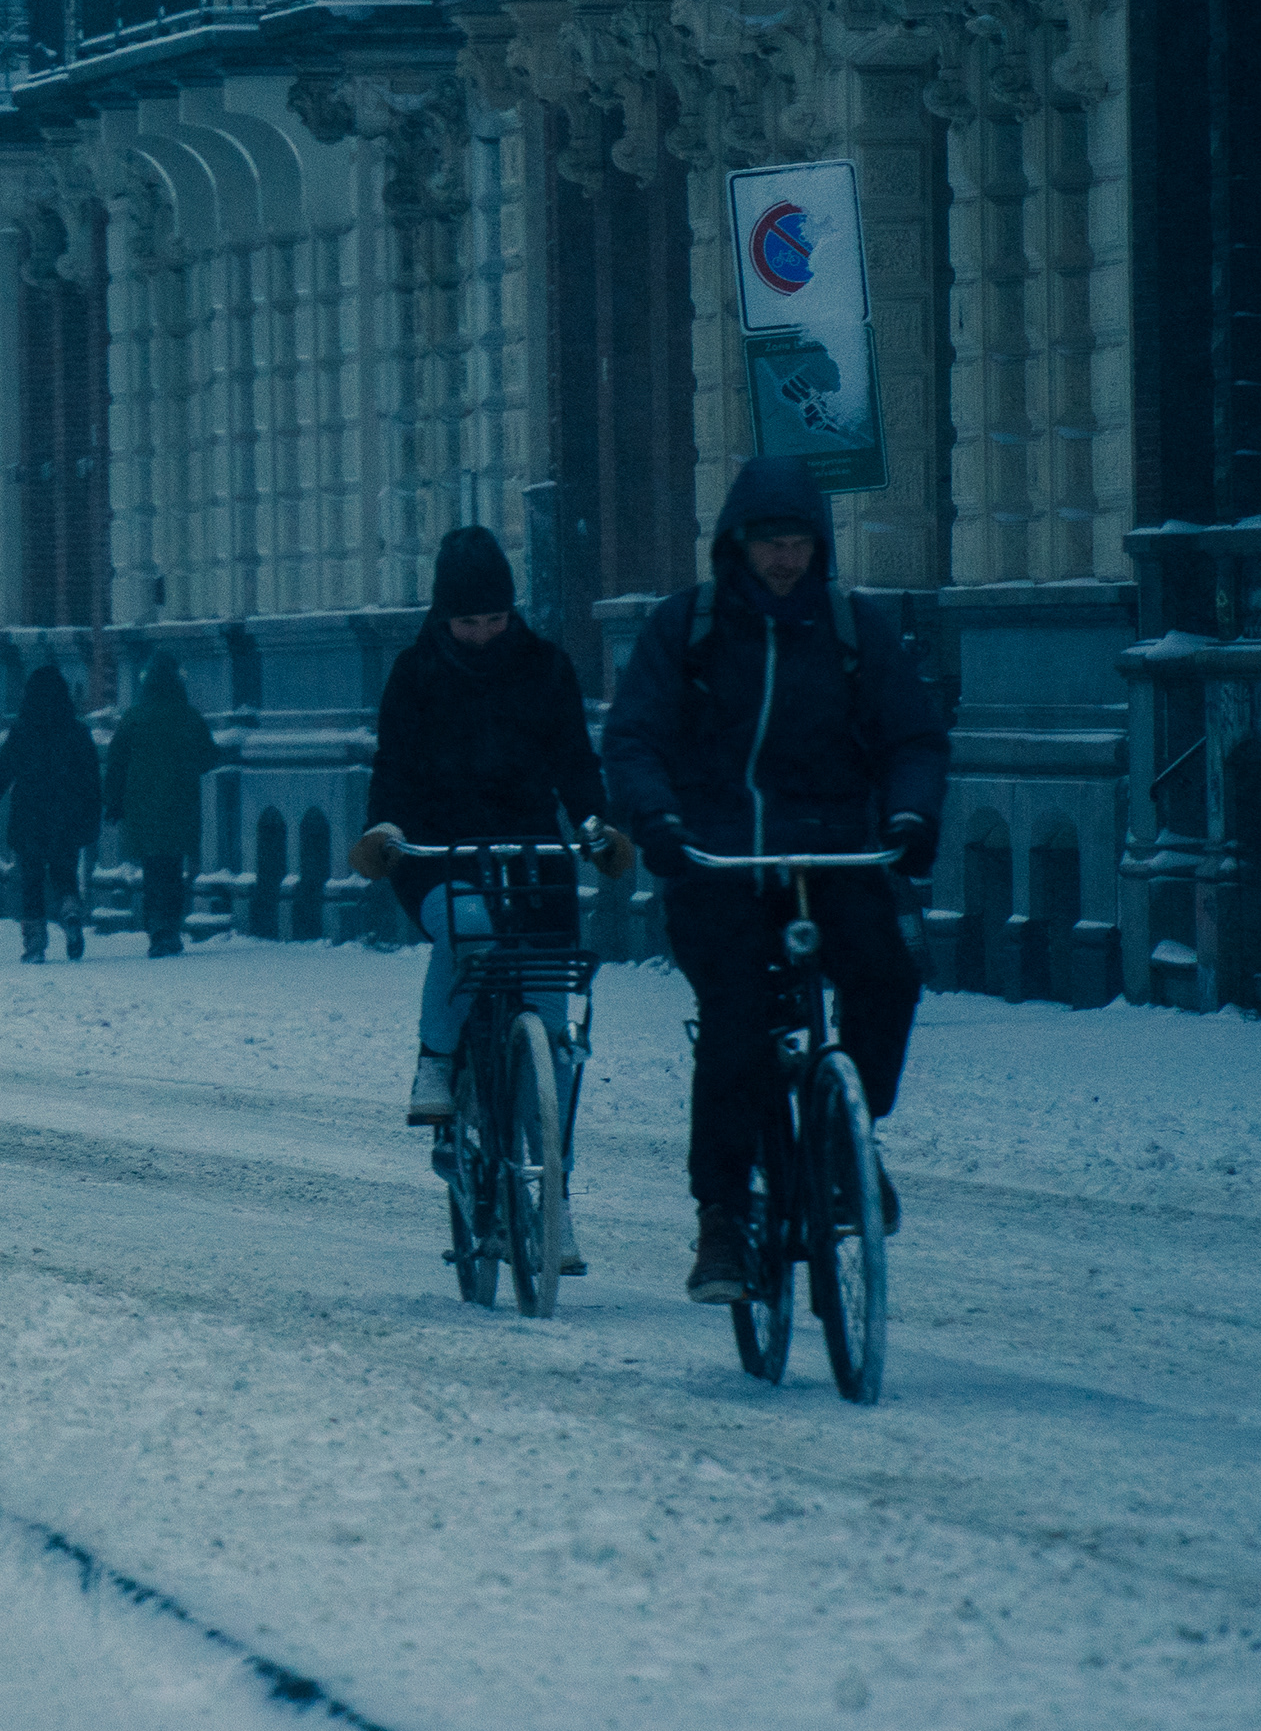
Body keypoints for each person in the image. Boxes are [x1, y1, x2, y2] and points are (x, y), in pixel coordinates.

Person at [603, 456, 947, 1305]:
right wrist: (661, 823)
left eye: (799, 543)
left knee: (887, 977)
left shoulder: (850, 631)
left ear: (818, 548)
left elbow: (912, 738)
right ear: (738, 545)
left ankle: (847, 1138)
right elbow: (634, 738)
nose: (785, 559)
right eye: (770, 543)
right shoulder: (687, 630)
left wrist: (909, 819)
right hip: (717, 861)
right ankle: (722, 1216)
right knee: (735, 1023)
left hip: (830, 855)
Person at [349, 526, 617, 1130]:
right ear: (444, 616)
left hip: (531, 850)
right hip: (438, 852)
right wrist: (383, 830)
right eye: (469, 623)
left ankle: (549, 1159)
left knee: (549, 987)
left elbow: (575, 762)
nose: (484, 634)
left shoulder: (547, 669)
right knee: (470, 930)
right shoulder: (415, 675)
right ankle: (436, 1060)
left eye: (496, 619)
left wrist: (594, 825)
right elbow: (393, 767)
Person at [0, 663, 102, 964]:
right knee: (65, 873)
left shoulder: (21, 733)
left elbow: (0, 778)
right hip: (66, 817)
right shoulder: (78, 732)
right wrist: (93, 815)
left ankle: (34, 941)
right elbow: (92, 779)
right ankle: (70, 909)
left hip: (29, 817)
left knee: (31, 880)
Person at [102, 654, 223, 958]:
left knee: (153, 868)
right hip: (180, 805)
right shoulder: (188, 716)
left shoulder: (134, 717)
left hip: (141, 807)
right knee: (173, 867)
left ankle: (157, 927)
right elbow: (209, 756)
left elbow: (115, 762)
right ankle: (170, 925)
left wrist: (113, 802)